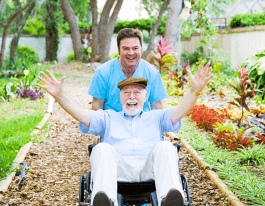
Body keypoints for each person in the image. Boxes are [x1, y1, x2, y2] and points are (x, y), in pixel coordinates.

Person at [36, 61, 213, 206]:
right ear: (120, 98)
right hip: (118, 171)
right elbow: (84, 116)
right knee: (101, 148)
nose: (132, 96)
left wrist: (195, 90)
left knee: (166, 146)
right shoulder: (108, 117)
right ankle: (105, 201)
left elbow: (180, 111)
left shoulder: (156, 117)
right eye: (126, 92)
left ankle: (170, 201)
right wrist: (60, 96)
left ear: (145, 97)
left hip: (149, 170)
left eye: (137, 92)